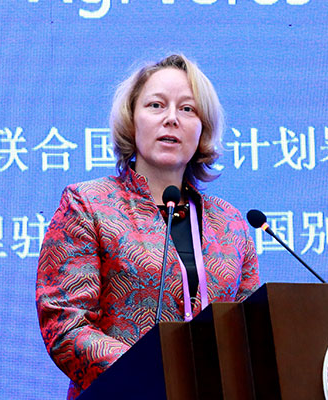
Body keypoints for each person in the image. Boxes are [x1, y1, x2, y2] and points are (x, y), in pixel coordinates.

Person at [36, 54, 260, 399]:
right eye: (156, 105)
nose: (172, 118)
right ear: (132, 121)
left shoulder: (229, 223)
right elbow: (65, 323)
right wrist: (155, 373)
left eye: (188, 109)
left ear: (202, 129)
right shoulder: (88, 205)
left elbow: (250, 332)